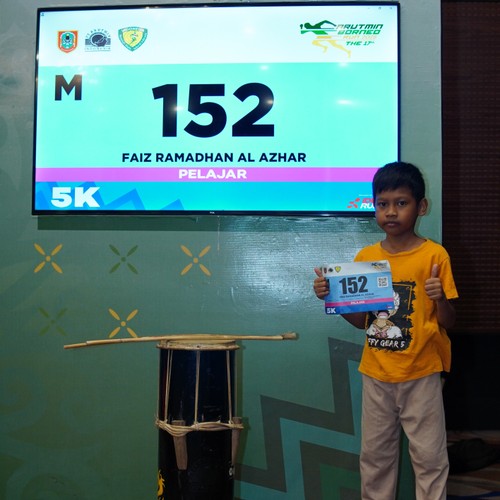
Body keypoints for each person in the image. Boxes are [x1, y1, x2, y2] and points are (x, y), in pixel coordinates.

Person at [313, 161, 458, 500]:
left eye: (401, 203)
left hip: (422, 371)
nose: (391, 212)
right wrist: (333, 297)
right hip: (376, 373)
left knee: (430, 459)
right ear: (374, 207)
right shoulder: (367, 257)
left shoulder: (434, 256)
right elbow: (362, 322)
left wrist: (440, 298)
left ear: (421, 206)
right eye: (383, 204)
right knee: (375, 459)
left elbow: (449, 321)